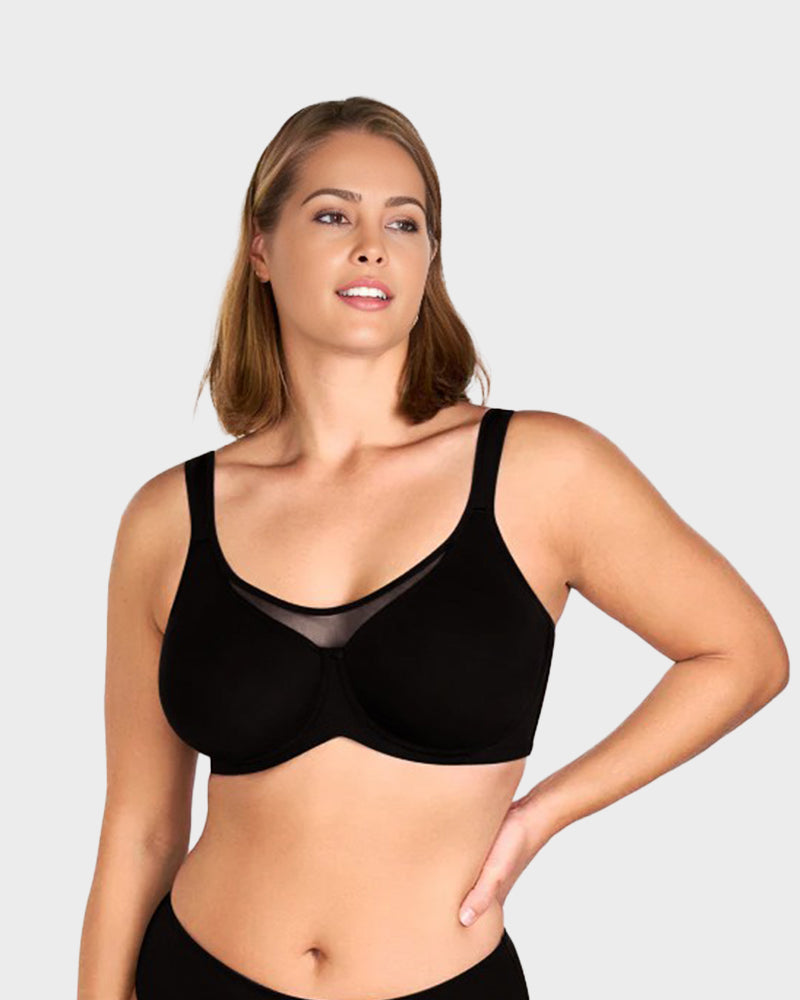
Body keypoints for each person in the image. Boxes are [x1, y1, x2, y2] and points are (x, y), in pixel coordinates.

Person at [77, 96, 790, 1000]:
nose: (372, 246)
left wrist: (542, 816)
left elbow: (744, 654)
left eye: (404, 222)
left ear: (429, 260)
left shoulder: (540, 471)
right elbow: (140, 830)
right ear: (260, 248)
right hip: (197, 974)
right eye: (332, 215)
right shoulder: (169, 520)